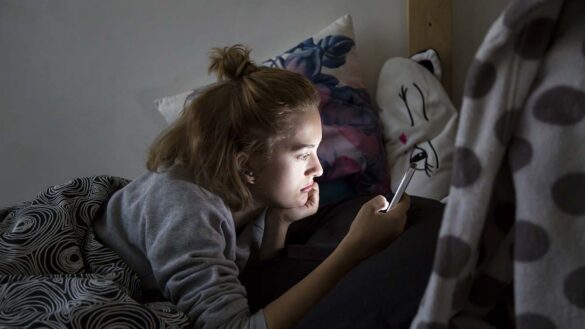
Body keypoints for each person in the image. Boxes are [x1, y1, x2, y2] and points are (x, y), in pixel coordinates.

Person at [93, 44, 410, 329]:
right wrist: (352, 251)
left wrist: (281, 221)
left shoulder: (251, 191)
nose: (318, 168)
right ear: (246, 165)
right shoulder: (185, 210)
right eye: (303, 155)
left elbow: (252, 279)